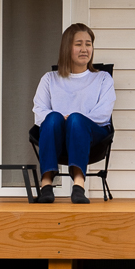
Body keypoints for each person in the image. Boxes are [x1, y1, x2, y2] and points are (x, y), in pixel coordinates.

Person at [32, 23, 114, 204]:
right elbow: (39, 112)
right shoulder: (49, 79)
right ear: (66, 47)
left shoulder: (102, 78)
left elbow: (104, 113)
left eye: (88, 44)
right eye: (78, 44)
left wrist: (74, 120)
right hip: (57, 137)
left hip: (94, 138)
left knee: (76, 120)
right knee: (52, 118)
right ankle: (46, 184)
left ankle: (78, 184)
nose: (84, 49)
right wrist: (63, 119)